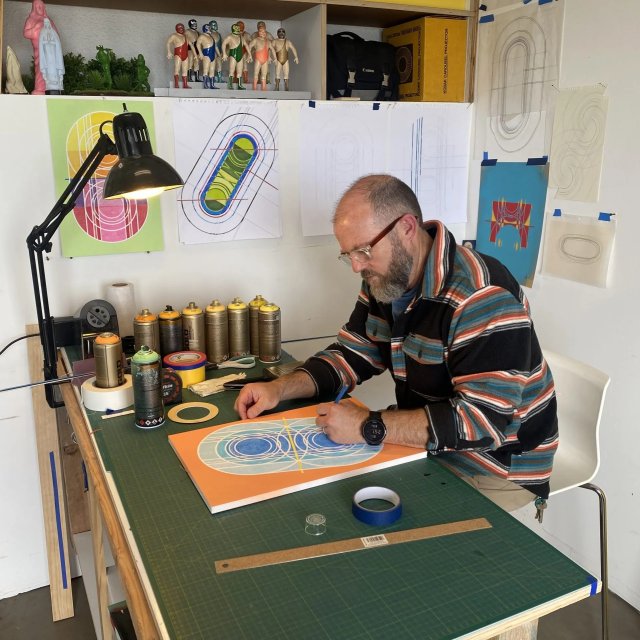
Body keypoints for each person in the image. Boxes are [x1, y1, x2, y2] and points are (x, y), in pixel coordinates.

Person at [236, 174, 559, 511]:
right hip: (432, 445)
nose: (356, 267)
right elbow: (352, 353)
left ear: (406, 227)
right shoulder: (385, 281)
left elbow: (482, 422)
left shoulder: (480, 296)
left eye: (363, 250)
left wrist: (367, 426)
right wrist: (281, 389)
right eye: (348, 255)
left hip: (491, 464)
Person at [23, 0, 58, 95]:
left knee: (50, 69)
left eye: (42, 6)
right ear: (34, 8)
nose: (40, 8)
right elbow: (26, 33)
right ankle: (40, 89)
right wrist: (36, 28)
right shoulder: (31, 20)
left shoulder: (48, 20)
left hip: (50, 49)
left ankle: (51, 88)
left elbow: (56, 34)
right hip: (39, 49)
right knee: (40, 68)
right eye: (38, 6)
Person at [222, 23, 250, 90]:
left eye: (238, 28)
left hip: (240, 55)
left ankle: (239, 85)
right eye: (237, 28)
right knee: (232, 71)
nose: (238, 29)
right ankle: (230, 84)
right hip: (233, 55)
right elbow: (224, 44)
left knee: (239, 71)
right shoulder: (230, 37)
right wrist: (224, 53)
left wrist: (250, 55)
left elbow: (246, 45)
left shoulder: (241, 37)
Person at [247, 23, 275, 91]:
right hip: (258, 59)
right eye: (261, 32)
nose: (263, 33)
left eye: (264, 32)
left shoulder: (268, 41)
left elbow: (272, 49)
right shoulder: (256, 40)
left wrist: (275, 58)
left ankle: (264, 87)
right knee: (256, 74)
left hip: (265, 60)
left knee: (264, 75)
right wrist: (249, 55)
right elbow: (249, 47)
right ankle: (254, 87)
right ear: (258, 32)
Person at [166, 23, 190, 89]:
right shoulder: (174, 35)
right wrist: (169, 52)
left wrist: (196, 54)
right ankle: (176, 84)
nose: (181, 29)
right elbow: (168, 43)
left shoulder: (186, 36)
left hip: (186, 55)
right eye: (180, 28)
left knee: (185, 70)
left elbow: (191, 45)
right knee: (177, 69)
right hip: (178, 54)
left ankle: (185, 84)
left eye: (182, 28)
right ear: (176, 29)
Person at [196, 23, 217, 89]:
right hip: (206, 54)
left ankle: (212, 85)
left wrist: (218, 54)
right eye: (208, 28)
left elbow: (215, 46)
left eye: (210, 28)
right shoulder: (202, 36)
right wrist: (200, 53)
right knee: (206, 69)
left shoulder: (211, 37)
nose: (209, 29)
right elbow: (198, 44)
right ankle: (205, 85)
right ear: (205, 28)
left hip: (213, 54)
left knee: (212, 70)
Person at [185, 18, 200, 83]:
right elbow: (184, 40)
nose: (195, 25)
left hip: (197, 49)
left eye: (195, 23)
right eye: (193, 24)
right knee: (190, 63)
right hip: (190, 49)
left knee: (197, 63)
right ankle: (189, 77)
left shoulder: (197, 32)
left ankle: (197, 78)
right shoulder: (187, 31)